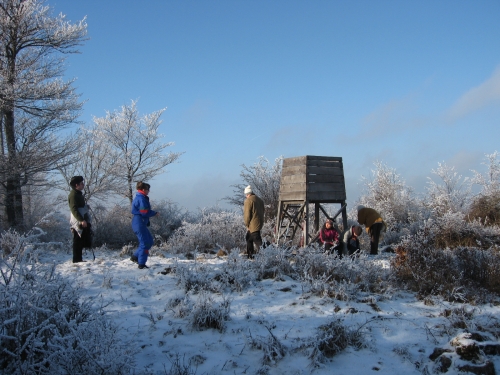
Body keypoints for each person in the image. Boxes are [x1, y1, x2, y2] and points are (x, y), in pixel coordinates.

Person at [130, 181, 159, 269]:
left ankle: (135, 257)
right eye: (147, 189)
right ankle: (141, 264)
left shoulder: (141, 197)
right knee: (145, 243)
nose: (148, 191)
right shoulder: (141, 198)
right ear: (143, 189)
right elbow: (144, 211)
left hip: (141, 223)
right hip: (139, 223)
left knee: (149, 241)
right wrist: (154, 213)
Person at [68, 176, 92, 263]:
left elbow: (80, 207)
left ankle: (79, 259)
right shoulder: (73, 195)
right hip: (77, 221)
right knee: (77, 240)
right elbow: (74, 209)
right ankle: (76, 260)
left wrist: (86, 208)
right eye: (81, 183)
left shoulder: (78, 194)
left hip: (81, 219)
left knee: (80, 240)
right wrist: (81, 220)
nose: (83, 185)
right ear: (76, 185)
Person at [243, 185, 265, 259]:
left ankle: (264, 255)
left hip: (252, 224)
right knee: (249, 238)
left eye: (246, 195)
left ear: (248, 194)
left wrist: (247, 224)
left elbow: (247, 214)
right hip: (259, 223)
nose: (246, 196)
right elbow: (263, 211)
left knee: (257, 241)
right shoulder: (259, 200)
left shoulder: (248, 201)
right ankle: (251, 255)